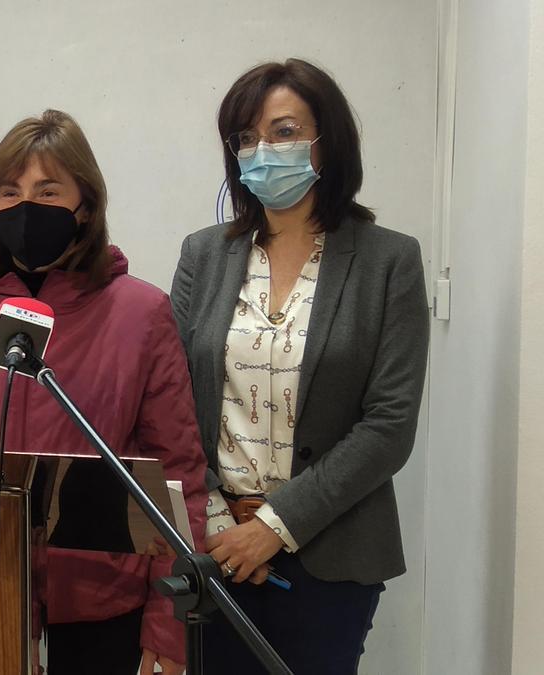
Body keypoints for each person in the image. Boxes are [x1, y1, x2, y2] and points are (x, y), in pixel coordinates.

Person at [0, 109, 207, 675]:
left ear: (87, 205)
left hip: (104, 605)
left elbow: (179, 477)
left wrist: (170, 623)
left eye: (48, 190)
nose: (25, 207)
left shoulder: (141, 312)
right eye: (10, 192)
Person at [170, 58, 430, 674]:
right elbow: (171, 402)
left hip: (331, 552)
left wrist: (274, 526)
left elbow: (388, 425)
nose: (263, 150)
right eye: (246, 138)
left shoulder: (389, 260)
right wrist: (214, 521)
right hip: (215, 548)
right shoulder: (203, 255)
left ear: (326, 141)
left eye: (283, 131)